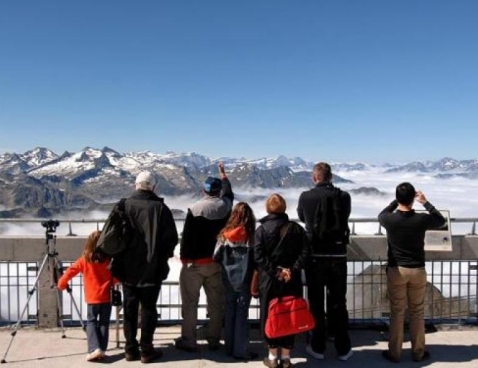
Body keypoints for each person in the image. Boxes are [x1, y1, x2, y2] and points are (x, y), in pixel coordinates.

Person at [111, 171, 178, 363]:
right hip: (152, 268)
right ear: (153, 187)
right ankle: (146, 350)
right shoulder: (161, 208)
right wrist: (162, 256)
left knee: (129, 308)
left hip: (127, 268)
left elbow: (114, 236)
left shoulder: (123, 206)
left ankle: (130, 349)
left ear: (136, 185)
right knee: (149, 309)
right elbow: (170, 238)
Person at [378, 183, 445, 363]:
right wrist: (425, 202)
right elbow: (441, 220)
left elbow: (381, 214)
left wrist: (396, 201)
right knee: (417, 312)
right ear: (413, 199)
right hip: (417, 270)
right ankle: (418, 352)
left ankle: (395, 353)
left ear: (398, 198)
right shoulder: (421, 219)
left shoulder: (389, 220)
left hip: (396, 270)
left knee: (397, 312)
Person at [297, 162, 353, 361]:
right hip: (338, 255)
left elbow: (302, 217)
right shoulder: (344, 196)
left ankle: (317, 346)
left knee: (316, 302)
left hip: (315, 255)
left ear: (314, 178)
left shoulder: (306, 197)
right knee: (338, 301)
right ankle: (343, 348)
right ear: (331, 177)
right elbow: (346, 216)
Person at [175, 162, 234, 352]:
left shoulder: (194, 209)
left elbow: (187, 237)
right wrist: (223, 175)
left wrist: (185, 258)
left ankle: (189, 340)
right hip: (216, 263)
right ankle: (214, 338)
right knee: (216, 303)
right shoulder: (225, 206)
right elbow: (229, 193)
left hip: (194, 264)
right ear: (218, 192)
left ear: (203, 191)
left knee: (190, 303)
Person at [254, 193, 310, 368]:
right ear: (284, 208)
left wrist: (275, 271)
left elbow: (258, 256)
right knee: (289, 314)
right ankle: (286, 357)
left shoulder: (261, 230)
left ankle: (272, 357)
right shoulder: (296, 229)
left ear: (267, 209)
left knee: (269, 315)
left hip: (269, 280)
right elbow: (305, 253)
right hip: (291, 280)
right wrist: (291, 270)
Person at [57, 230, 114, 362]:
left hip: (92, 298)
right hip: (107, 296)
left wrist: (61, 284)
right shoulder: (108, 260)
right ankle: (102, 349)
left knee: (91, 322)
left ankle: (94, 348)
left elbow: (70, 272)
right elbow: (116, 276)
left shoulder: (84, 260)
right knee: (104, 323)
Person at [213, 202, 258, 360]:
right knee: (241, 314)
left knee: (230, 311)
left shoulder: (225, 235)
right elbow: (257, 258)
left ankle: (229, 347)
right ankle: (240, 350)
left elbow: (216, 256)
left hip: (228, 279)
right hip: (245, 280)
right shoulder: (252, 236)